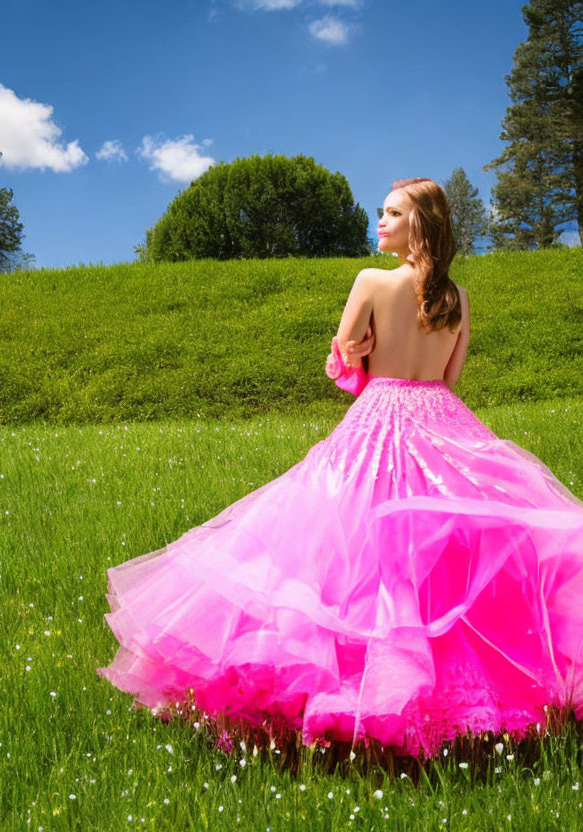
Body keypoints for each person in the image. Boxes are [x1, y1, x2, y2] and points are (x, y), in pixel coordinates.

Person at [96, 178, 583, 760]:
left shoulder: (371, 282)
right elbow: (450, 378)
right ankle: (464, 698)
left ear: (419, 225)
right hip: (443, 418)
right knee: (445, 548)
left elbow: (345, 354)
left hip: (380, 417)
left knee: (351, 541)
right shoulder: (456, 296)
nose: (380, 221)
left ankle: (365, 692)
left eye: (393, 213)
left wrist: (356, 351)